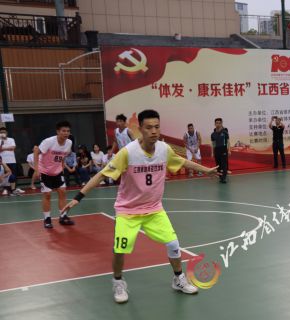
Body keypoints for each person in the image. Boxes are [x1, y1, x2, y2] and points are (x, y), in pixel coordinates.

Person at [62, 109, 219, 303]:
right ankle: (118, 282)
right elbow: (102, 175)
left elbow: (183, 162)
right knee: (120, 250)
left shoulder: (164, 149)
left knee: (173, 244)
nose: (154, 131)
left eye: (157, 127)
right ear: (140, 129)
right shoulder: (128, 152)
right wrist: (78, 197)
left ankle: (178, 279)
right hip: (128, 211)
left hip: (154, 209)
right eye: (149, 127)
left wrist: (206, 170)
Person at [33, 121, 75, 229]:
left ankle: (63, 216)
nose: (66, 133)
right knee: (47, 194)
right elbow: (36, 152)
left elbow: (63, 156)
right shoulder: (49, 141)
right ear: (58, 131)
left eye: (68, 131)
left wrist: (62, 167)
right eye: (63, 131)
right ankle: (47, 219)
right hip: (45, 171)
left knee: (62, 192)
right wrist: (37, 170)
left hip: (58, 171)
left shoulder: (69, 142)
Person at [0, 126, 24, 195]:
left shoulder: (11, 139)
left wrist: (3, 148)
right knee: (5, 175)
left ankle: (13, 189)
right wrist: (2, 144)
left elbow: (13, 147)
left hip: (12, 160)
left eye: (4, 132)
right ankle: (5, 189)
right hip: (3, 161)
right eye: (1, 132)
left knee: (13, 175)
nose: (3, 133)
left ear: (6, 133)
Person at [211, 118, 230, 184]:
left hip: (223, 149)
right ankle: (220, 177)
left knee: (224, 164)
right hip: (217, 150)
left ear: (221, 123)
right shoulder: (213, 134)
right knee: (218, 165)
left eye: (219, 123)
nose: (218, 124)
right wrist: (212, 152)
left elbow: (228, 142)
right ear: (215, 124)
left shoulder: (225, 132)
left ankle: (224, 178)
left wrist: (229, 150)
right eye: (217, 123)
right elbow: (213, 144)